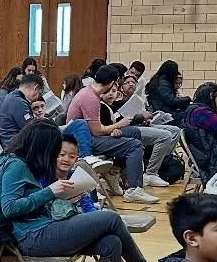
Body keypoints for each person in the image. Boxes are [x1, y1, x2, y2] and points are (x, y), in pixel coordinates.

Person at [0, 121, 152, 262]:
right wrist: (50, 191)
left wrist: (65, 202)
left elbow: (32, 203)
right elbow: (9, 208)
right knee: (111, 218)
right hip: (32, 235)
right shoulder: (16, 165)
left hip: (44, 227)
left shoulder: (23, 164)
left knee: (111, 243)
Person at [65, 66, 156, 204]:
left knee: (134, 132)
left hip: (91, 135)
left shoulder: (90, 92)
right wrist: (118, 125)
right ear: (113, 82)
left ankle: (118, 173)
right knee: (134, 145)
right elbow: (97, 131)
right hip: (84, 141)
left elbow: (99, 128)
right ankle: (134, 189)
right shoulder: (90, 98)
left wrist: (112, 129)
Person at [0, 72, 42, 151]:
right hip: (17, 148)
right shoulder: (18, 102)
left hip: (15, 143)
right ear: (36, 88)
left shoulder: (13, 97)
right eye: (39, 93)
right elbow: (32, 130)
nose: (37, 97)